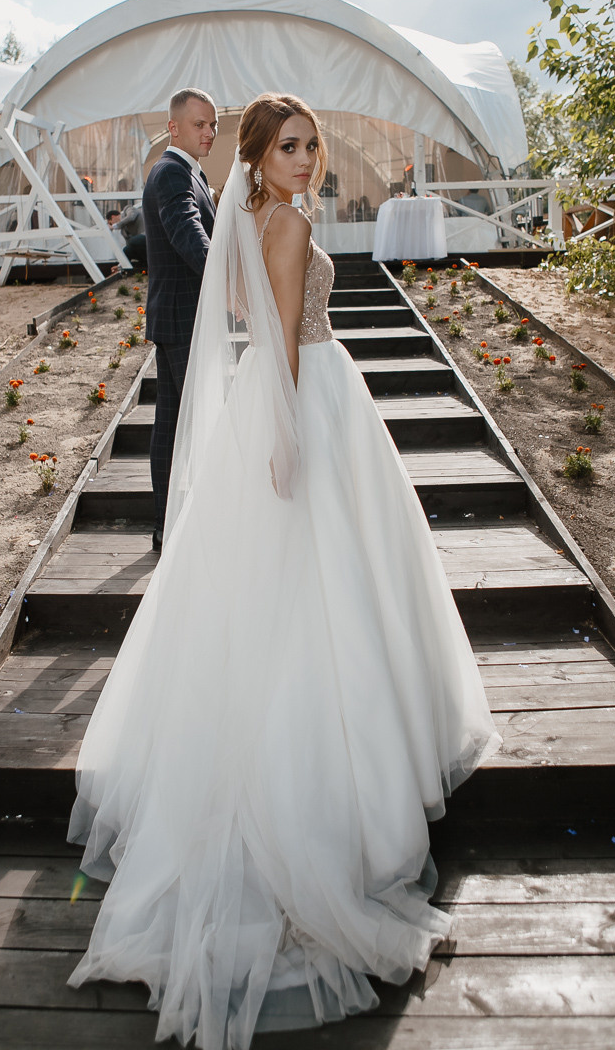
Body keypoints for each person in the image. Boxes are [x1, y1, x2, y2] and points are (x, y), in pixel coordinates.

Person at [68, 93, 500, 1049]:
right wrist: (291, 434)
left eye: (311, 146)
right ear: (257, 159)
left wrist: (277, 414)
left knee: (306, 592)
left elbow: (246, 313)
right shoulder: (289, 221)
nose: (307, 160)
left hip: (292, 397)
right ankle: (328, 796)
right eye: (289, 147)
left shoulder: (258, 217)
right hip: (311, 400)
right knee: (331, 590)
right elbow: (281, 344)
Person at [141, 88, 217, 552]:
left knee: (171, 426)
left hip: (177, 317)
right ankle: (179, 527)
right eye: (198, 124)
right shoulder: (171, 174)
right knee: (192, 424)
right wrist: (235, 284)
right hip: (184, 318)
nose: (208, 131)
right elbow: (190, 236)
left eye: (212, 124)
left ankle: (167, 527)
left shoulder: (186, 172)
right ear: (174, 127)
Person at [115, 199, 147, 269]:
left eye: (111, 222)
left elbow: (131, 217)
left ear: (113, 217)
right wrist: (119, 265)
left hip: (146, 237)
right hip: (140, 246)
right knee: (126, 250)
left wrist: (116, 225)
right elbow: (129, 244)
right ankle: (127, 269)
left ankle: (148, 263)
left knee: (134, 241)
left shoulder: (128, 209)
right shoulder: (123, 231)